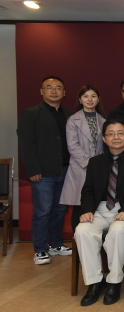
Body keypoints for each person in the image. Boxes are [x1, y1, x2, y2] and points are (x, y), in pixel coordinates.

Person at [75, 119, 124, 306]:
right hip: (99, 211)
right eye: (111, 133)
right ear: (104, 138)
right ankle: (94, 282)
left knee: (117, 231)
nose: (116, 137)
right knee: (82, 231)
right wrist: (87, 211)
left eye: (120, 133)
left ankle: (114, 282)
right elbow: (88, 190)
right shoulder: (95, 162)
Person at [18, 76, 73, 265]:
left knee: (60, 210)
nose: (54, 91)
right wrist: (33, 169)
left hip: (66, 171)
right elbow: (26, 145)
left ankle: (56, 244)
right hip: (42, 173)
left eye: (58, 87)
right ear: (41, 91)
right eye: (49, 87)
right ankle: (40, 249)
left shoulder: (69, 115)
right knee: (42, 212)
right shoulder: (31, 114)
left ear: (64, 93)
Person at [60, 86, 107, 230]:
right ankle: (78, 240)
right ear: (80, 100)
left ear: (98, 99)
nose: (90, 99)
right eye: (86, 96)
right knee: (79, 206)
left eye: (93, 96)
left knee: (96, 205)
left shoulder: (103, 120)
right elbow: (72, 146)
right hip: (80, 167)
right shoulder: (73, 120)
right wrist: (90, 163)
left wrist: (99, 164)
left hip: (99, 168)